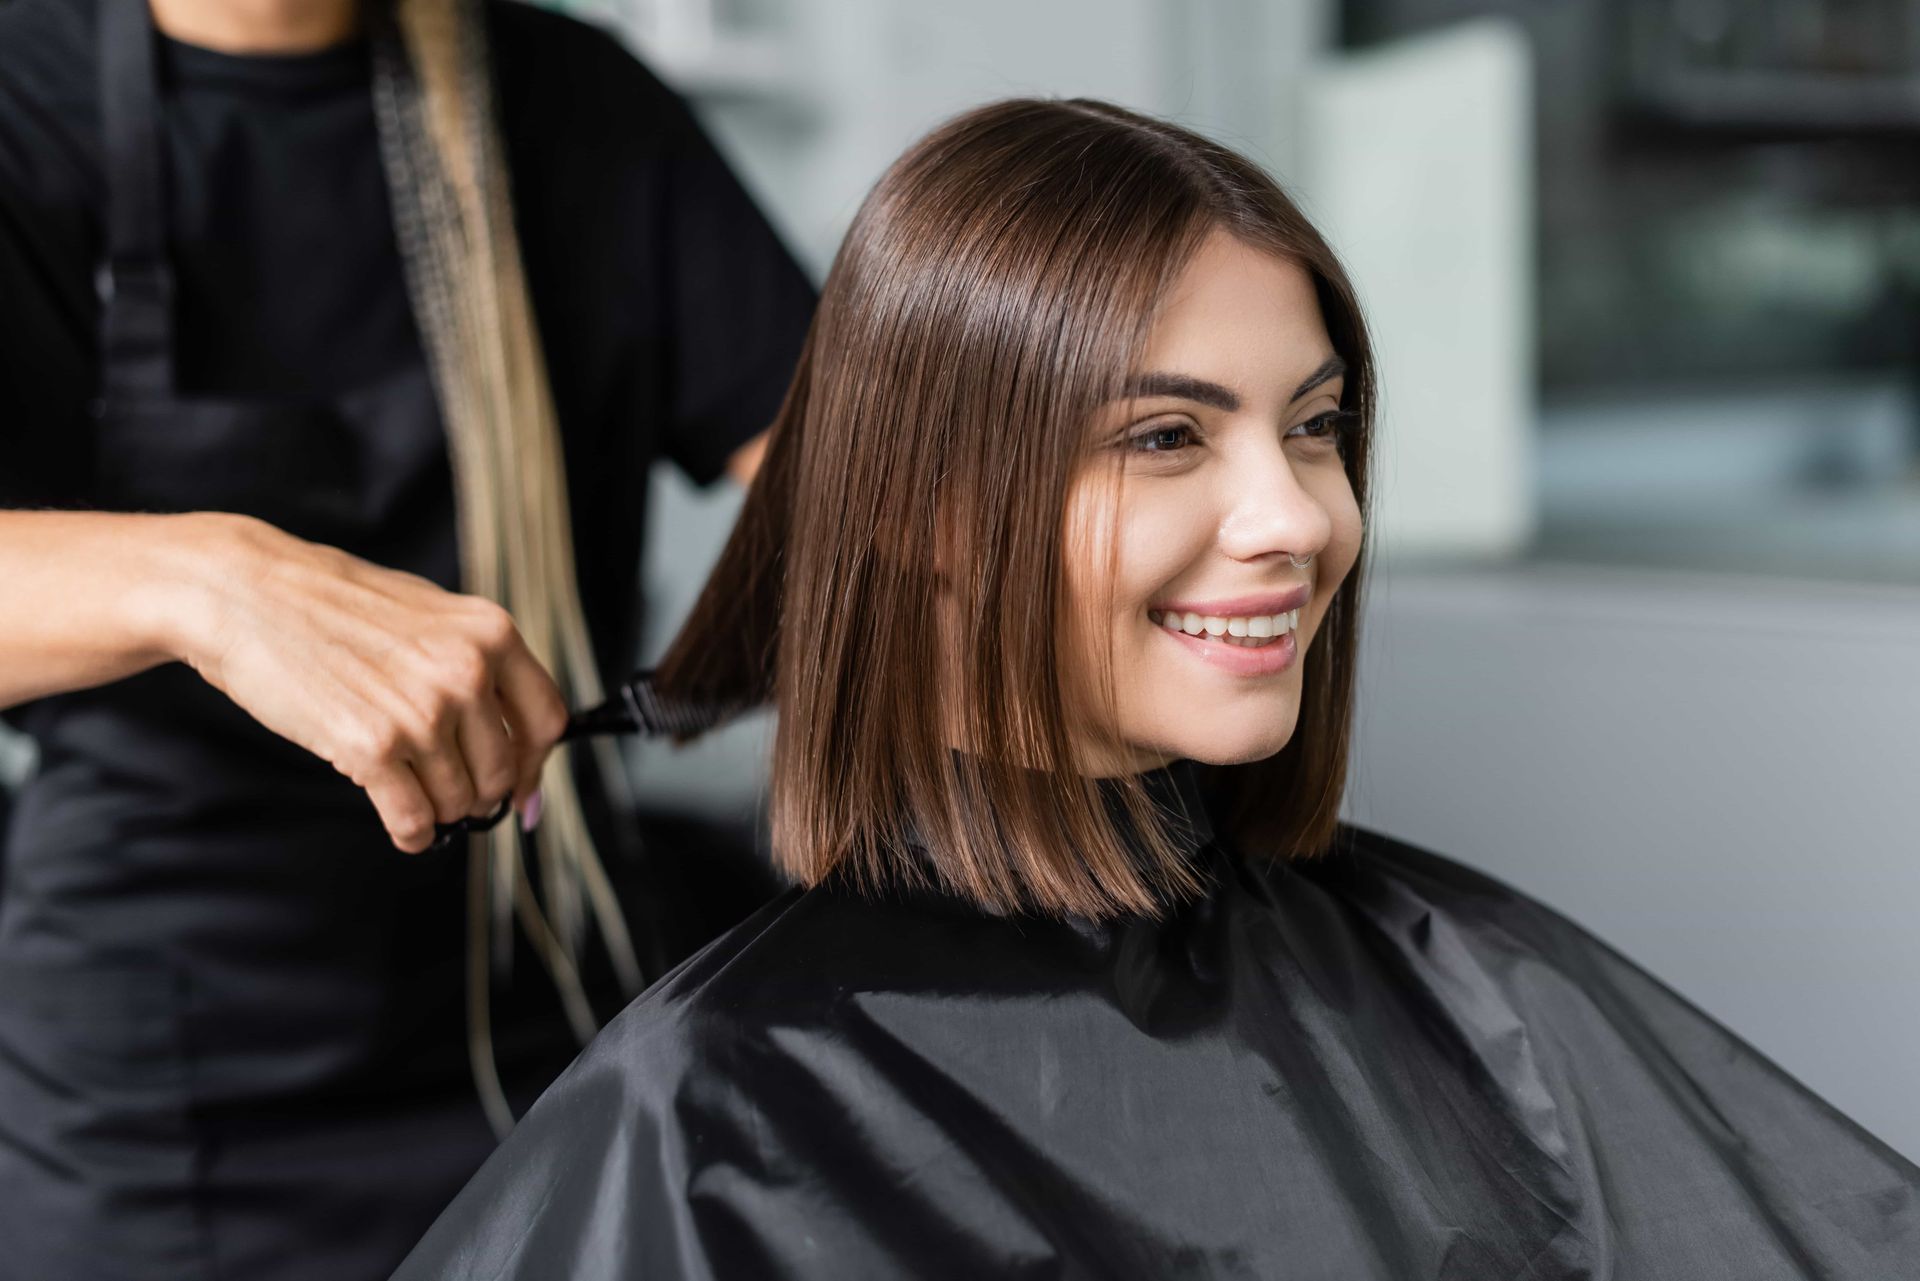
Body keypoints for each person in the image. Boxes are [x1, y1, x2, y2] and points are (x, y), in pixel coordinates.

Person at [390, 97, 1920, 1280]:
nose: (1296, 519)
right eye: (1167, 437)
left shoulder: (1477, 995)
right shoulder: (711, 1113)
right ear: (926, 510)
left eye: (1313, 427)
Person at [0, 0, 813, 1273]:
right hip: (164, 1114)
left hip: (561, 1057)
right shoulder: (23, 99)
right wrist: (210, 580)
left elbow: (860, 497)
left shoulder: (573, 104)